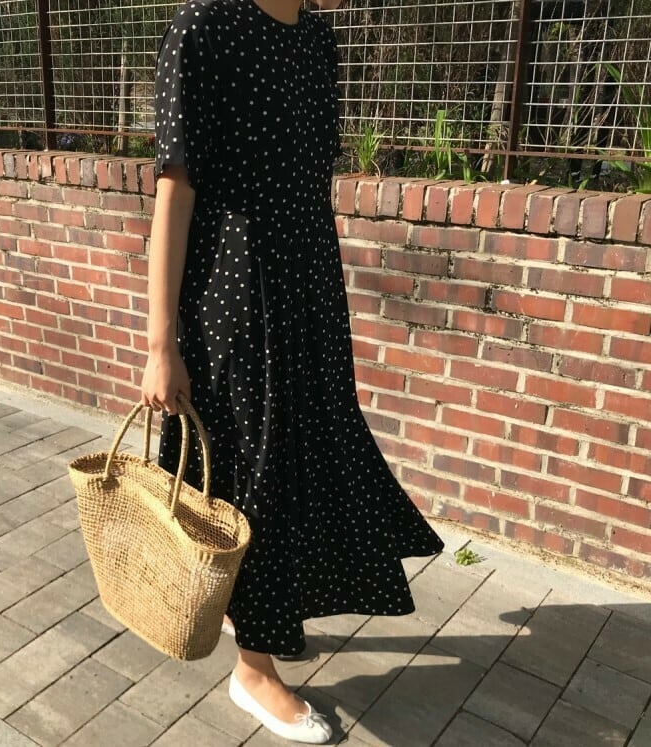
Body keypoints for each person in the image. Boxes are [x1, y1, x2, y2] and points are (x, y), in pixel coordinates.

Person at [141, 0, 445, 742]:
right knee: (258, 476)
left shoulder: (317, 39)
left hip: (308, 291)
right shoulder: (202, 29)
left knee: (308, 459)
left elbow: (308, 181)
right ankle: (254, 669)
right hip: (235, 298)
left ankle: (257, 613)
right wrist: (159, 344)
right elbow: (174, 191)